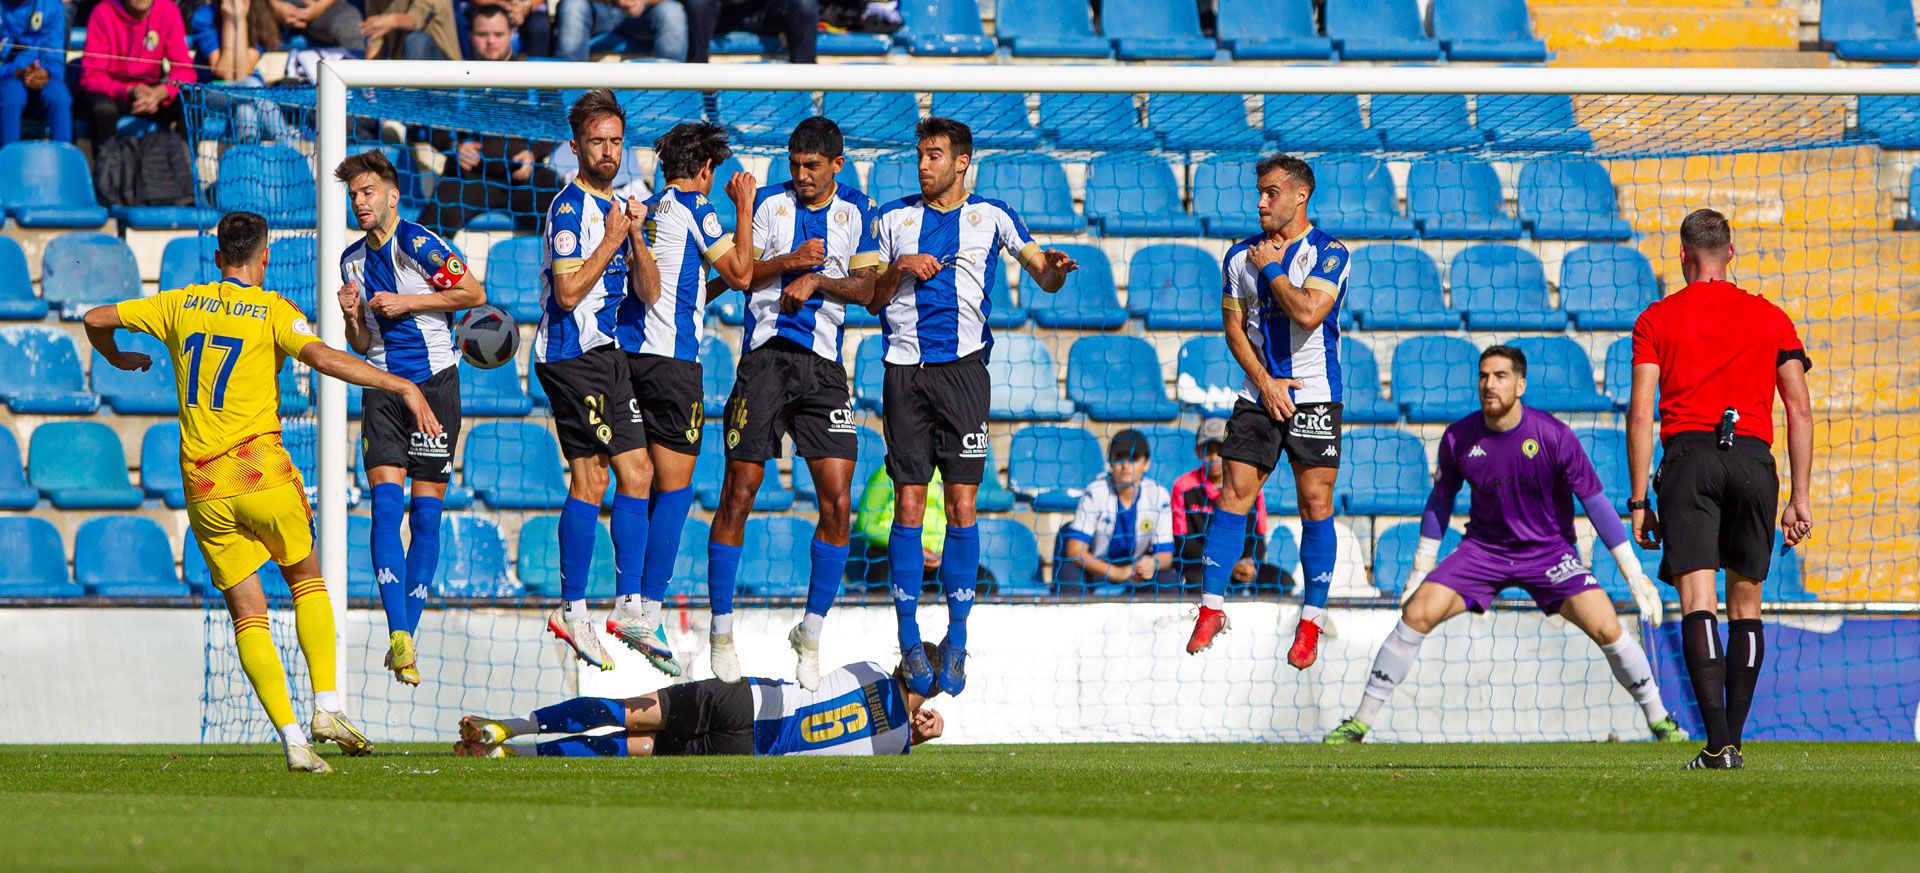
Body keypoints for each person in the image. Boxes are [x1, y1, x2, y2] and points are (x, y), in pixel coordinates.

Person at [82, 211, 443, 773]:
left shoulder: (179, 302)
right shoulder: (274, 310)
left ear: (220, 256)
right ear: (265, 256)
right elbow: (325, 358)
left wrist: (118, 357)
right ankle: (326, 705)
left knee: (247, 614)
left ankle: (293, 740)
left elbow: (95, 316)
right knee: (306, 579)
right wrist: (400, 383)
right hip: (259, 473)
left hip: (203, 485)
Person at [1323, 345, 1684, 745]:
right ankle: (1359, 722)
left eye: (1500, 376)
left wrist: (1634, 576)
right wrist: (1419, 572)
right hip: (1484, 552)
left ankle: (1659, 719)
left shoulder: (1554, 436)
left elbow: (1595, 504)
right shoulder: (1459, 437)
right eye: (1483, 376)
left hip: (1550, 554)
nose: (1489, 384)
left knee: (1607, 627)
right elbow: (1440, 501)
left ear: (1521, 384)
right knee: (1417, 613)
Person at [868, 116, 1079, 697]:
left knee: (962, 506)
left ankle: (957, 641)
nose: (923, 164)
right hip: (904, 373)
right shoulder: (891, 219)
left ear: (962, 162)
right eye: (919, 155)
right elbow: (869, 297)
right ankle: (910, 640)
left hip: (964, 377)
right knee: (909, 505)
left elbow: (1041, 273)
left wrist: (1055, 272)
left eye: (934, 155)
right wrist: (898, 270)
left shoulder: (994, 215)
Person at [1627, 208, 1814, 770]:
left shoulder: (1656, 319)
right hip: (1755, 460)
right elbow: (1800, 410)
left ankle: (1718, 745)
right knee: (1746, 606)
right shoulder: (1772, 318)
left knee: (1697, 601)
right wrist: (1800, 498)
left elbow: (1640, 416)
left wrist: (1639, 500)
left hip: (1689, 460)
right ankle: (1731, 742)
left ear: (1683, 256)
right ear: (1731, 253)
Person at [706, 116, 877, 690]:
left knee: (836, 503)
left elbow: (872, 292)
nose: (800, 176)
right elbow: (741, 275)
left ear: (837, 165)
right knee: (739, 492)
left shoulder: (859, 211)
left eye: (812, 166)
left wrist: (821, 280)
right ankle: (722, 630)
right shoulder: (767, 204)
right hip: (762, 363)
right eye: (794, 164)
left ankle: (810, 631)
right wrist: (791, 265)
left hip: (824, 372)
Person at [1184, 154, 1345, 670]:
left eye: (1271, 192)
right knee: (1233, 492)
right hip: (1259, 394)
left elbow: (1307, 311)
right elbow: (1233, 329)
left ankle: (1311, 621)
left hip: (1315, 393)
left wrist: (1270, 267)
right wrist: (1265, 381)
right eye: (1259, 191)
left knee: (1314, 504)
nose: (1260, 201)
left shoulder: (1329, 253)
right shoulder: (1236, 257)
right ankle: (1211, 608)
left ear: (1301, 196)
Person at [333, 149, 486, 686]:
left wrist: (407, 303)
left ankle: (408, 637)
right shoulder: (351, 259)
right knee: (383, 509)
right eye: (354, 195)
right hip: (382, 391)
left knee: (425, 518)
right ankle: (399, 634)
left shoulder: (419, 243)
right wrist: (352, 316)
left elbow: (474, 292)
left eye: (368, 192)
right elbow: (360, 341)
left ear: (393, 195)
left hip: (437, 387)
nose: (360, 202)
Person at [608, 121, 752, 677]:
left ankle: (626, 601)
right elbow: (739, 274)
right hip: (672, 366)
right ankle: (648, 609)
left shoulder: (651, 206)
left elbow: (687, 282)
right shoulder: (696, 204)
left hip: (630, 357)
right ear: (706, 170)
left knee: (634, 479)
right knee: (676, 488)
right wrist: (743, 207)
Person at [530, 88, 660, 671]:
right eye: (595, 142)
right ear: (577, 146)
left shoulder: (621, 207)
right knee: (639, 472)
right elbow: (565, 292)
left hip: (599, 354)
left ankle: (575, 608)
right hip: (575, 353)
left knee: (592, 483)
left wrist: (632, 235)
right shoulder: (567, 209)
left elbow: (649, 294)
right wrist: (611, 237)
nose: (607, 152)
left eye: (615, 142)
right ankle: (629, 604)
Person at [453, 655, 944, 757]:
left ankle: (512, 727)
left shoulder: (871, 669)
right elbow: (884, 730)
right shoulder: (897, 744)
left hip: (743, 699)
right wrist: (919, 734)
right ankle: (512, 756)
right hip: (745, 752)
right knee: (639, 747)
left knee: (629, 710)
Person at [412, 5, 566, 235]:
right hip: (471, 177)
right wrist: (455, 147)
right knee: (425, 234)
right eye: (483, 35)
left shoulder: (533, 76)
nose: (491, 41)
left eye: (498, 34)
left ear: (512, 35)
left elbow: (558, 123)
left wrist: (534, 154)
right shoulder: (456, 77)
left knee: (566, 216)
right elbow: (432, 124)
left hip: (523, 177)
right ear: (470, 36)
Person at [1057, 429, 1174, 589]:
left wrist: (1152, 563)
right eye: (1119, 458)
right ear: (1110, 462)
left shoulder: (1159, 495)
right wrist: (1115, 572)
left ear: (1146, 464)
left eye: (1133, 458)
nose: (1125, 465)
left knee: (1168, 579)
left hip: (1138, 572)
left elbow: (1166, 554)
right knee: (1068, 573)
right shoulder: (1095, 492)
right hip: (1097, 568)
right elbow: (1075, 550)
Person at [1171, 418, 1279, 591]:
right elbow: (1185, 545)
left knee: (1282, 582)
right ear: (1198, 452)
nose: (1214, 457)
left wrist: (1249, 564)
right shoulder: (1183, 487)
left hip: (1241, 565)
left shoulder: (1251, 486)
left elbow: (1258, 538)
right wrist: (1229, 566)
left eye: (1220, 449)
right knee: (1198, 582)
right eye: (1207, 449)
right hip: (1201, 566)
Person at [79, 0, 194, 144]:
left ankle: (182, 162)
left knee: (192, 101)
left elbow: (185, 70)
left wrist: (161, 92)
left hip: (153, 93)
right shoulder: (102, 12)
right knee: (103, 110)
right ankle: (108, 165)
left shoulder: (168, 10)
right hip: (115, 94)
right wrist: (128, 91)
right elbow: (92, 77)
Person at [187, 0, 300, 143]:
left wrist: (240, 21)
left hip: (249, 92)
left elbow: (241, 73)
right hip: (213, 91)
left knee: (245, 109)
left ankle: (247, 159)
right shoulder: (205, 15)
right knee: (251, 87)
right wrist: (230, 21)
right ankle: (290, 149)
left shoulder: (260, 15)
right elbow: (226, 74)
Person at [854, 466, 945, 587]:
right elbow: (865, 525)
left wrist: (945, 552)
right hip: (893, 549)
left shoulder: (947, 474)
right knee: (881, 563)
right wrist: (912, 547)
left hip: (937, 557)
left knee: (973, 577)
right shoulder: (887, 472)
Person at [0, 0, 72, 146]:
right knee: (11, 98)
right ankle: (7, 164)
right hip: (8, 78)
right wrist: (18, 71)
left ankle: (63, 163)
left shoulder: (52, 6)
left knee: (60, 98)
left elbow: (55, 56)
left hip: (43, 76)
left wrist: (45, 72)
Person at [684, 0, 817, 64]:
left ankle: (806, 88)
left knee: (805, 3)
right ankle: (697, 86)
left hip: (764, 11)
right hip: (718, 12)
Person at [552, 0, 687, 61]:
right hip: (599, 11)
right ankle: (570, 96)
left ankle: (670, 96)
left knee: (671, 11)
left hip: (643, 14)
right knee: (573, 5)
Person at [361, 0, 462, 59]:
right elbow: (375, 41)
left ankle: (412, 92)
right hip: (403, 71)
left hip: (446, 71)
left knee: (416, 40)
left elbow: (418, 17)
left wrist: (393, 20)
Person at [270, 0, 364, 51]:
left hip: (326, 6)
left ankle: (357, 82)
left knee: (349, 24)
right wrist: (275, 7)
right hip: (271, 5)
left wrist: (315, 10)